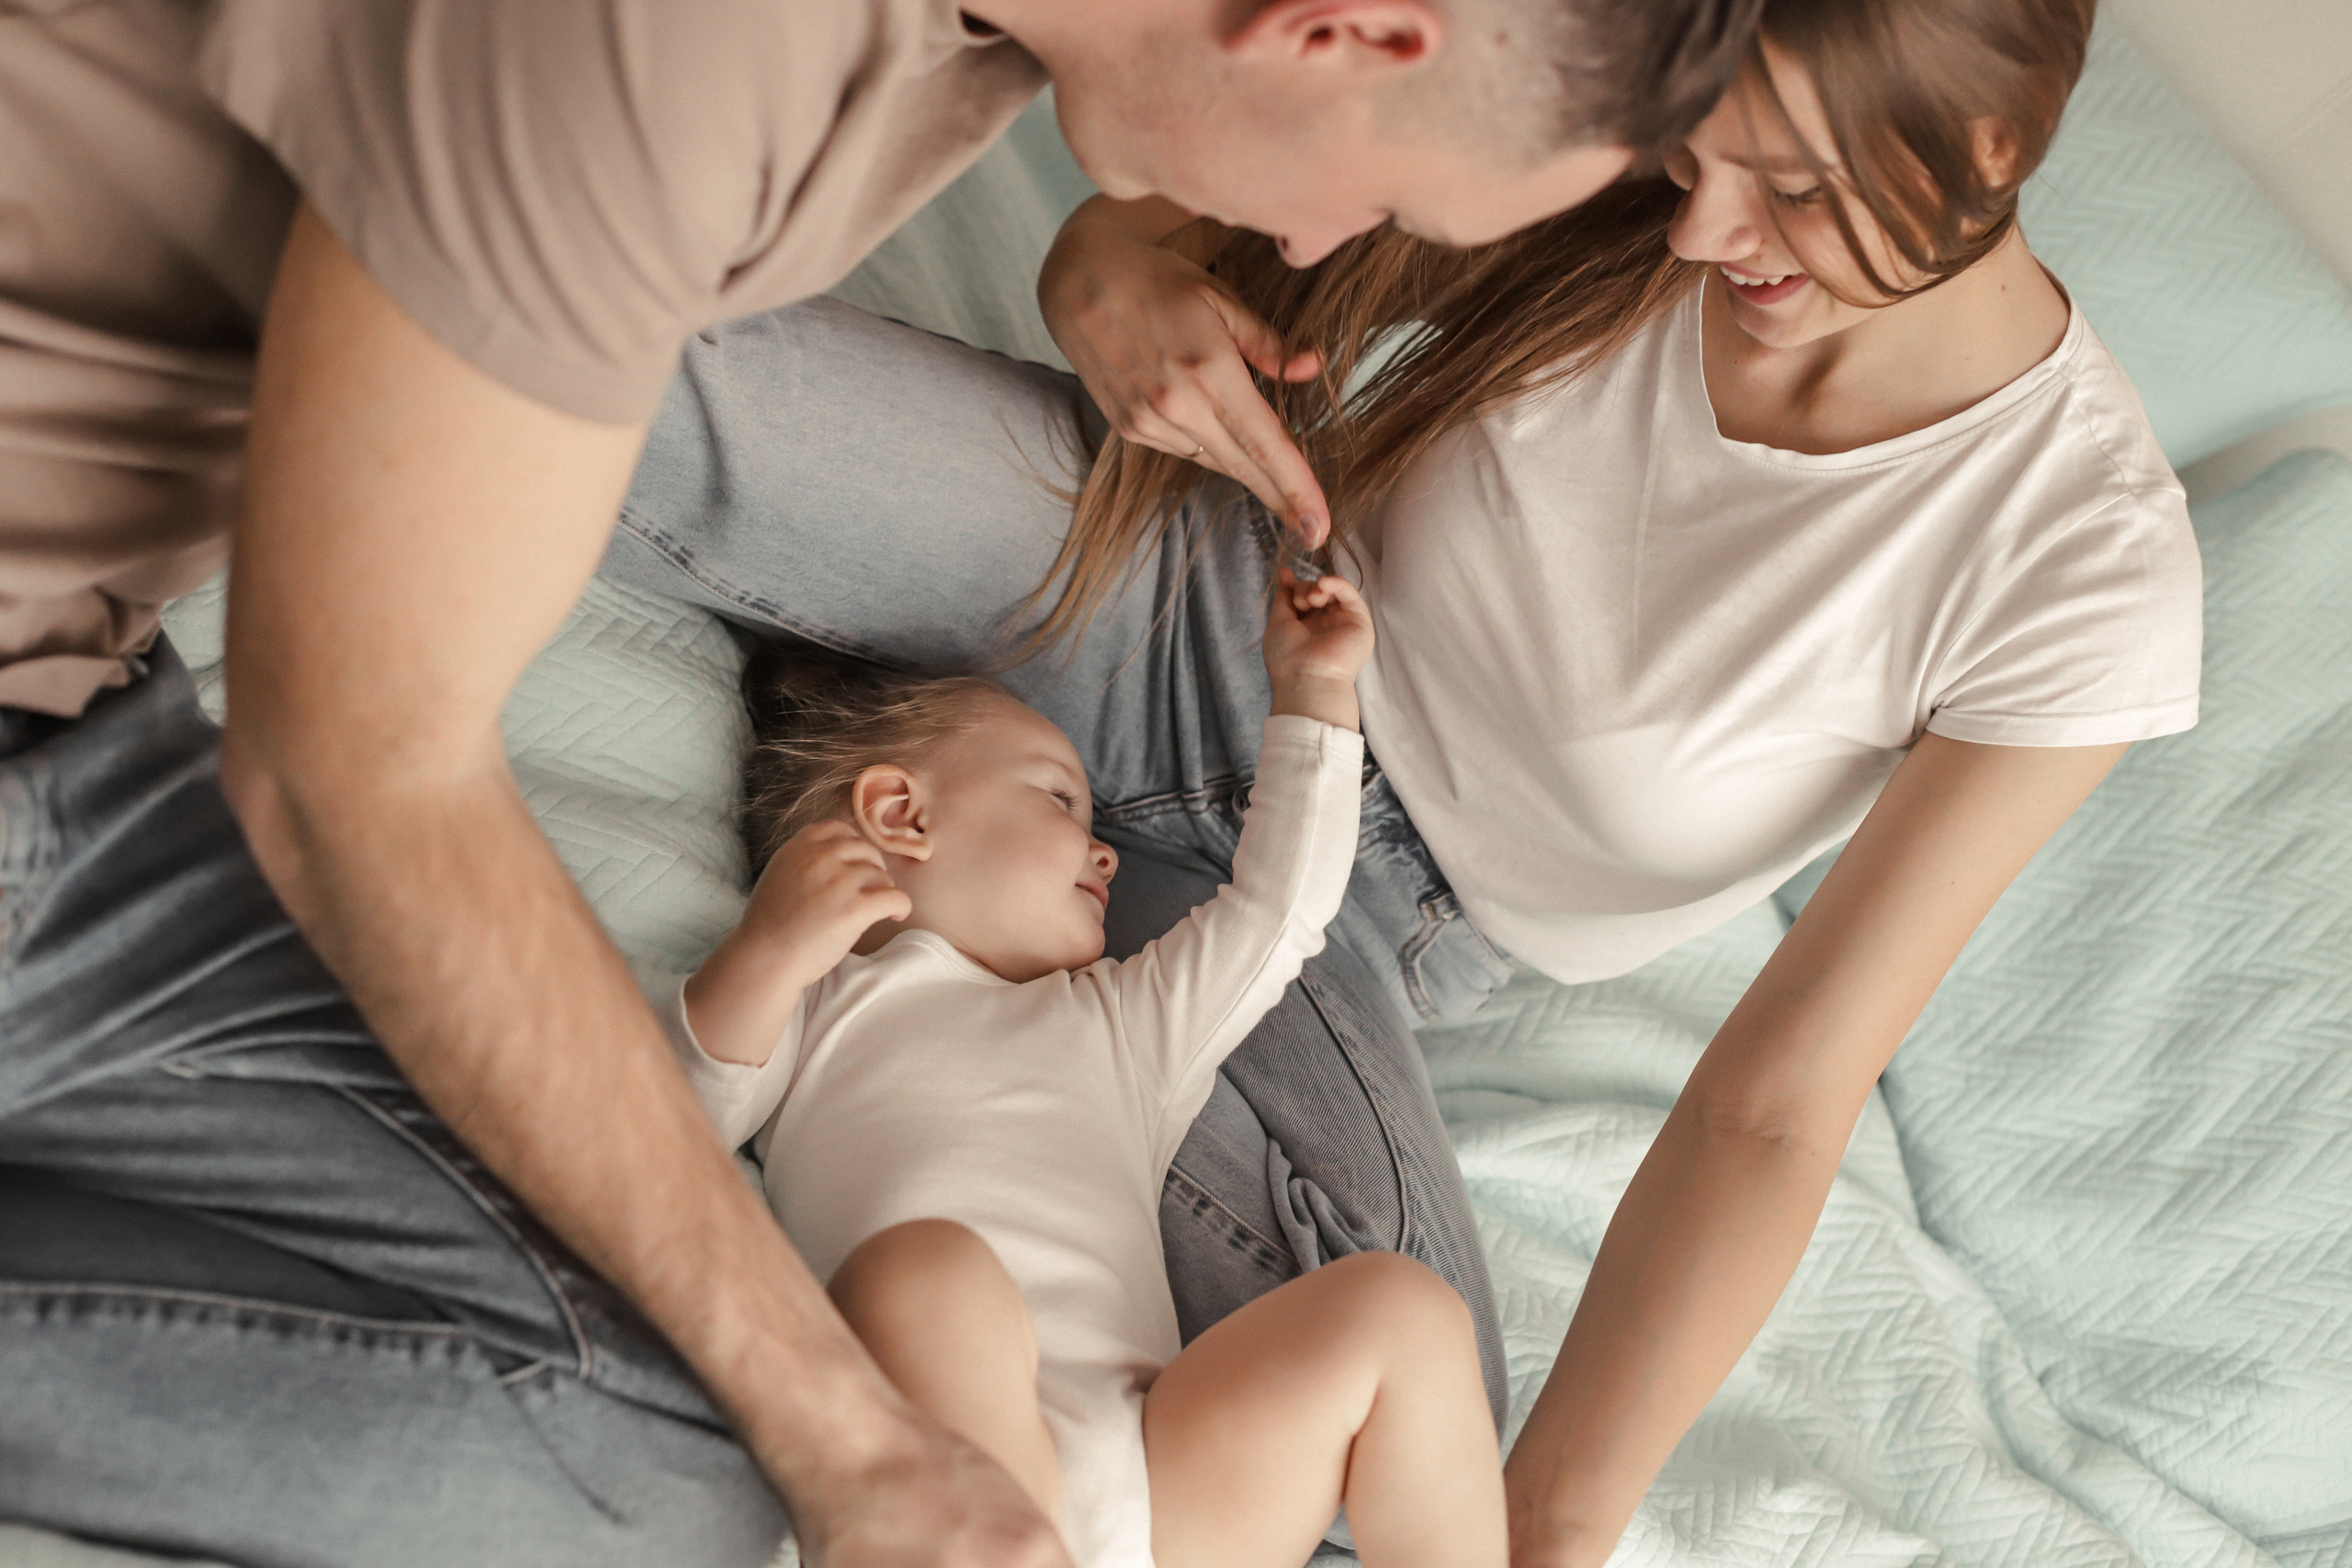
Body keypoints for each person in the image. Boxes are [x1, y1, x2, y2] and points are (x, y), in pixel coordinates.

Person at [0, 0, 1763, 1562]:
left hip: (90, 719)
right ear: (1343, 32)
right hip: (86, 740)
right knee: (801, 1392)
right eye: (1383, 207)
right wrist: (854, 1442)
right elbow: (355, 764)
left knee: (696, 1470)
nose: (1317, 243)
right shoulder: (676, 48)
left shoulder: (968, 58)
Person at [597, 0, 2199, 1563]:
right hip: (1172, 586)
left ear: (1988, 149)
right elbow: (1137, 237)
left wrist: (1553, 1529)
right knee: (623, 362)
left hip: (1346, 925)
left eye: (1788, 186)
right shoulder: (1605, 161)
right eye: (1695, 153)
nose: (1703, 230)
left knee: (1397, 1400)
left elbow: (1778, 1106)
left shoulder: (2073, 563)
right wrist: (1103, 276)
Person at [667, 571, 1503, 1568]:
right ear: (901, 812)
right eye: (1063, 800)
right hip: (942, 1482)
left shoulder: (1120, 1023)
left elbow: (1276, 916)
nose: (1105, 854)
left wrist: (1315, 698)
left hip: (1160, 1488)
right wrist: (766, 952)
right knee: (927, 1277)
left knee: (1399, 1311)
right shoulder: (819, 1000)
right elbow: (669, 1127)